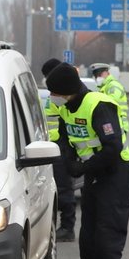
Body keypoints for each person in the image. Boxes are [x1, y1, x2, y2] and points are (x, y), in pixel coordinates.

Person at [45, 63, 129, 259]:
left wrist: (83, 168)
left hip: (114, 174)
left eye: (54, 92)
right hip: (93, 175)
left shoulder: (98, 104)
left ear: (66, 90)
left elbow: (113, 147)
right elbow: (63, 137)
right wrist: (69, 160)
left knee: (108, 235)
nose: (52, 97)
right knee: (89, 237)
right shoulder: (67, 108)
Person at [41, 58, 78, 242]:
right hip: (51, 146)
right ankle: (58, 225)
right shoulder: (53, 94)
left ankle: (68, 227)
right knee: (54, 187)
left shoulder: (62, 94)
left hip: (61, 146)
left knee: (64, 188)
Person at [90, 63, 129, 132]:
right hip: (110, 123)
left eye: (100, 74)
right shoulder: (103, 87)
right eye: (96, 76)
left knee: (114, 142)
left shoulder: (113, 86)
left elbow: (110, 103)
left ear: (107, 73)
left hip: (118, 123)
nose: (98, 77)